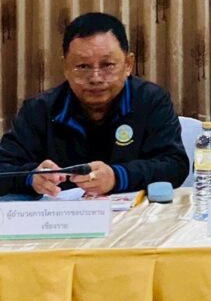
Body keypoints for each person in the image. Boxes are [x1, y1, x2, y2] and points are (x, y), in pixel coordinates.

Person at [0, 13, 189, 197]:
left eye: (108, 65)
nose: (96, 78)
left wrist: (117, 177)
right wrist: (31, 177)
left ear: (128, 64)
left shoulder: (151, 101)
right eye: (83, 66)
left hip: (132, 213)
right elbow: (3, 168)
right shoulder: (39, 110)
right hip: (61, 214)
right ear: (65, 67)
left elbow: (175, 165)